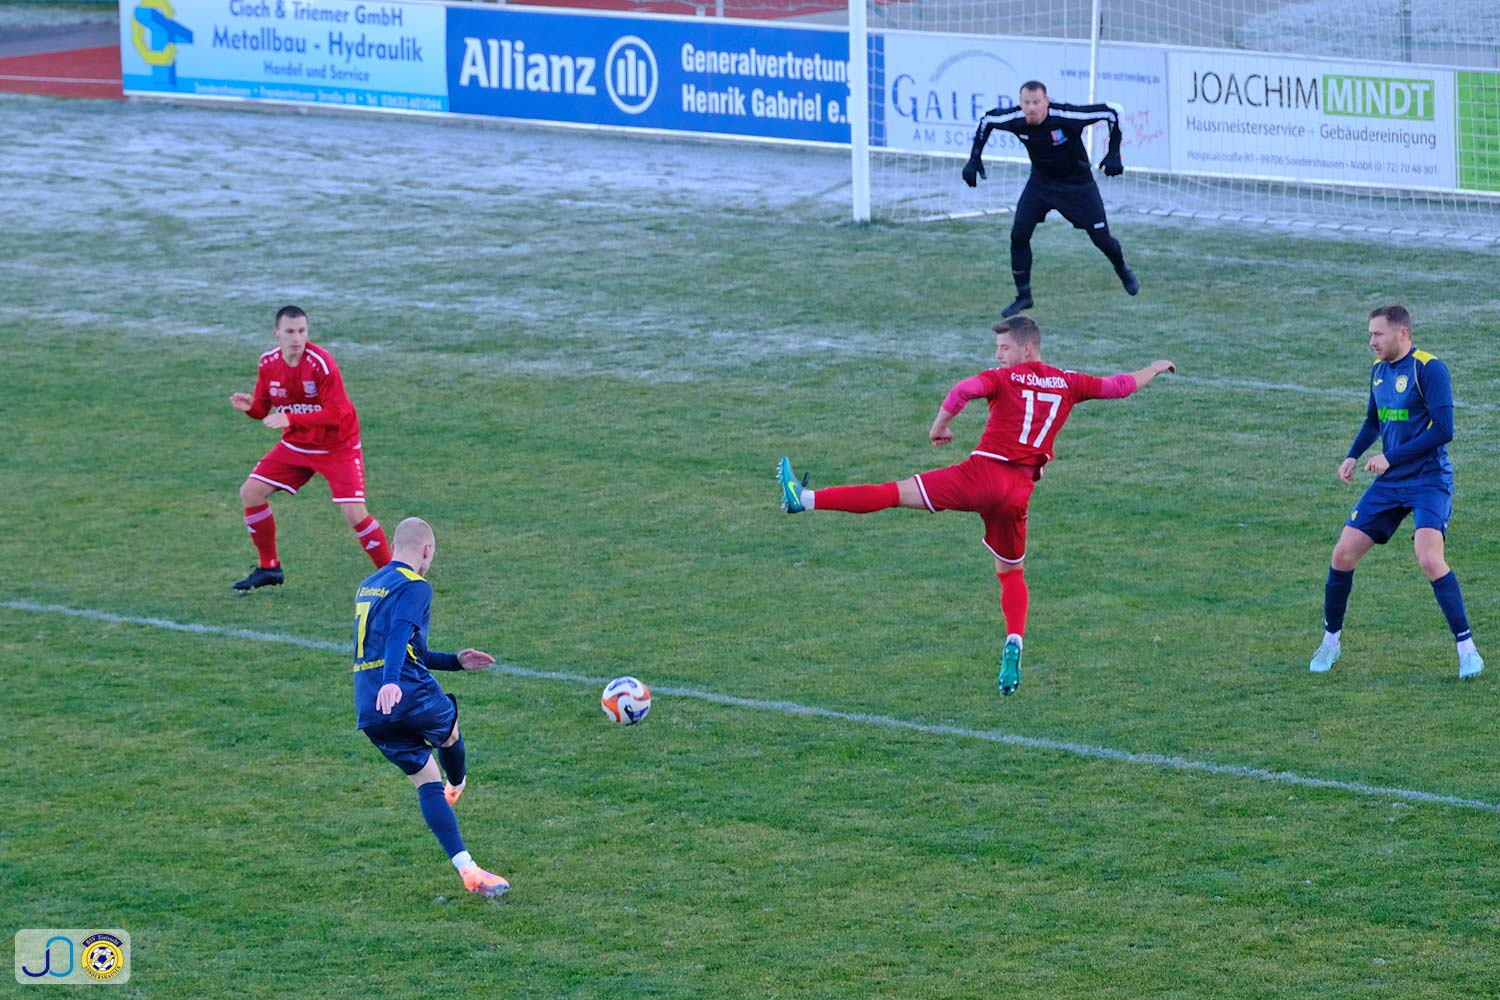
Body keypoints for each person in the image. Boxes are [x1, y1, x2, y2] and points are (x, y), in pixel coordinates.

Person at [778, 315, 1174, 697]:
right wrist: (1154, 368)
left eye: (1004, 347)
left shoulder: (1002, 379)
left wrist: (939, 427)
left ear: (1027, 348)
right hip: (1018, 493)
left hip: (981, 476)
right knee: (1011, 573)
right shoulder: (1070, 382)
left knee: (893, 493)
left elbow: (962, 391)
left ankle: (805, 499)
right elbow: (1120, 386)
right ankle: (1014, 641)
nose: (998, 355)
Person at [1309, 305, 1482, 680]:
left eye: (1378, 334)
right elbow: (1374, 420)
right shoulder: (1378, 371)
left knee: (1429, 558)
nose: (1371, 341)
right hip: (1390, 482)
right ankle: (1330, 642)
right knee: (1342, 554)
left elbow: (1444, 429)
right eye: (1370, 334)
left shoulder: (1429, 368)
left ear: (1402, 333)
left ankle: (1467, 650)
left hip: (1428, 479)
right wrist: (1353, 455)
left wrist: (1391, 456)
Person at [353, 516, 510, 898]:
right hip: (407, 691)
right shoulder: (416, 586)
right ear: (427, 550)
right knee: (449, 730)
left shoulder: (368, 585)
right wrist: (393, 680)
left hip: (371, 707)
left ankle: (468, 870)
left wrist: (455, 662)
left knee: (426, 782)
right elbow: (398, 634)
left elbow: (408, 648)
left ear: (393, 546)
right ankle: (457, 783)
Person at [228, 305, 391, 590]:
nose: (297, 338)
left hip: (337, 446)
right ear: (276, 332)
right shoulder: (268, 363)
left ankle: (396, 579)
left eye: (302, 331)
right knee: (251, 493)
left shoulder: (321, 364)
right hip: (297, 444)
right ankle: (269, 568)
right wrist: (251, 408)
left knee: (354, 512)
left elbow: (337, 413)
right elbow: (263, 409)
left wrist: (291, 418)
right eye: (290, 331)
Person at [962, 80, 1138, 318]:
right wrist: (974, 159)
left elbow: (1113, 111)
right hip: (1041, 185)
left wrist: (1114, 152)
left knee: (1102, 239)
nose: (1031, 108)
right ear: (1021, 103)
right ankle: (1024, 296)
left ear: (1046, 101)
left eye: (1036, 102)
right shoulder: (1016, 119)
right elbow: (986, 120)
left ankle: (1121, 268)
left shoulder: (1066, 116)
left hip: (1078, 186)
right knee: (1018, 235)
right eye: (1026, 103)